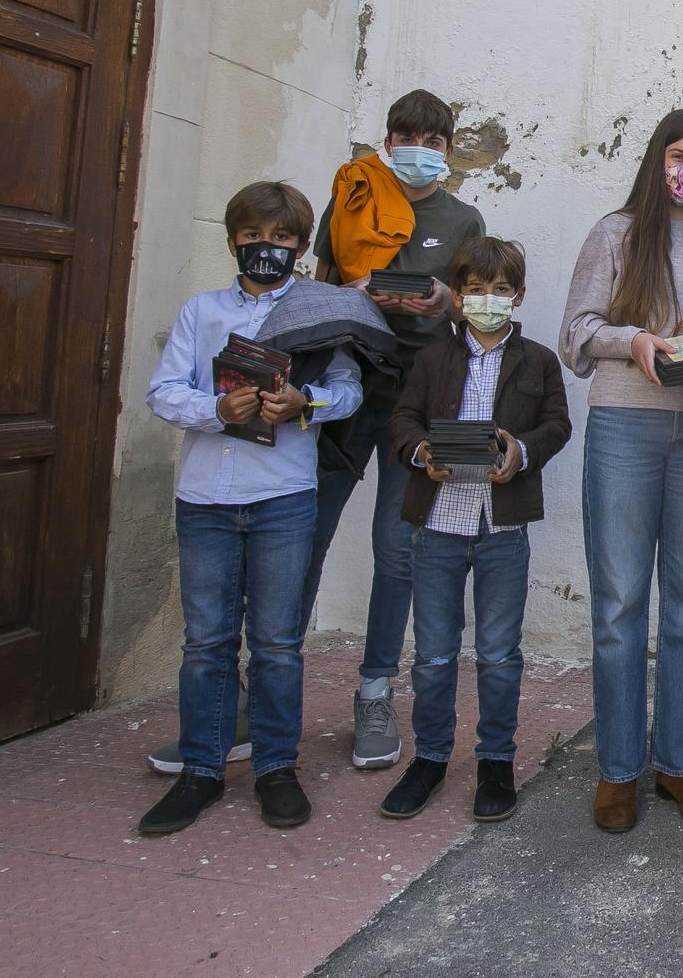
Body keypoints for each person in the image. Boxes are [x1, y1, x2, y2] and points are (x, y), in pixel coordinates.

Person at [138, 182, 363, 835]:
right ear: (235, 239)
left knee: (276, 643)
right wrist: (215, 410)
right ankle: (202, 772)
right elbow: (163, 393)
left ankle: (275, 769)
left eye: (284, 239)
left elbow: (349, 391)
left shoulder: (322, 314)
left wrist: (306, 402)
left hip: (283, 495)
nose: (268, 249)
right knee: (207, 642)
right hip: (206, 495)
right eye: (255, 237)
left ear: (299, 245)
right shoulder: (201, 312)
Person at [561, 109, 683, 834]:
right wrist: (633, 339)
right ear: (655, 157)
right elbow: (575, 333)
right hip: (625, 427)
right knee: (617, 607)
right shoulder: (615, 233)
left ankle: (680, 761)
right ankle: (616, 770)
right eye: (677, 155)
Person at [305, 88, 485, 770]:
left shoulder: (463, 217)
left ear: (447, 148)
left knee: (397, 549)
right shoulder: (350, 198)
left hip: (419, 401)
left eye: (433, 140)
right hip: (346, 391)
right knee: (305, 536)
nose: (420, 149)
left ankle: (374, 691)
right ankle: (265, 687)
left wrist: (444, 303)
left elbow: (477, 310)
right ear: (388, 139)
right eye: (407, 136)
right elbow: (316, 283)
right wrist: (348, 301)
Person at [378, 238, 572, 823]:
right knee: (434, 654)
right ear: (457, 296)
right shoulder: (434, 359)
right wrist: (419, 454)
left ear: (518, 294)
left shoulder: (538, 360)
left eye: (500, 289)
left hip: (502, 527)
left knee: (498, 653)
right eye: (476, 289)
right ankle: (430, 759)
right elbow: (403, 419)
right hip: (436, 525)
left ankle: (495, 760)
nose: (488, 300)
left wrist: (521, 450)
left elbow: (557, 425)